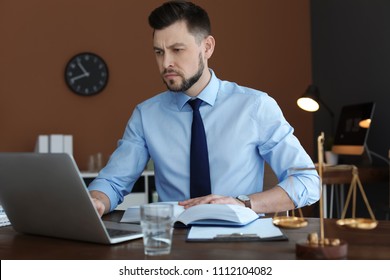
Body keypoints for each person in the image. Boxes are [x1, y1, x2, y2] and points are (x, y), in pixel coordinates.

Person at [89, 0, 320, 217]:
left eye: (177, 50)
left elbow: (307, 182)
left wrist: (243, 203)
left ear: (207, 47)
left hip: (240, 241)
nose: (166, 62)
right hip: (174, 242)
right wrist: (96, 200)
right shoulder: (145, 115)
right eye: (159, 52)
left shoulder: (255, 106)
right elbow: (113, 182)